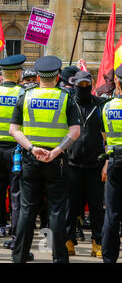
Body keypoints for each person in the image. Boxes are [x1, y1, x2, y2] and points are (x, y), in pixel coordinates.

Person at [9, 55, 81, 263]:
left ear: (38, 76)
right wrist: (56, 151)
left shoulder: (25, 96)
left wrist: (32, 148)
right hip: (55, 161)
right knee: (57, 211)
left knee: (27, 210)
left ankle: (19, 256)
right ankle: (59, 258)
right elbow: (75, 132)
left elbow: (14, 130)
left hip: (31, 159)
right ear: (58, 77)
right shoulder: (66, 98)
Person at [0, 54, 34, 260]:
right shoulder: (24, 93)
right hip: (18, 150)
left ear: (2, 73)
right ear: (18, 73)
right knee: (18, 199)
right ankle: (19, 249)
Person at [65, 70, 105, 258]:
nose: (82, 88)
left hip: (94, 166)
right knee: (70, 206)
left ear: (91, 84)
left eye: (85, 85)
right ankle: (68, 240)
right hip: (71, 164)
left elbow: (107, 134)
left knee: (96, 208)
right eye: (79, 85)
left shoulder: (100, 105)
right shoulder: (68, 103)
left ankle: (97, 242)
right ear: (74, 85)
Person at [101, 65, 122, 263]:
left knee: (112, 213)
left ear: (116, 81)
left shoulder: (107, 106)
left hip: (115, 160)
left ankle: (109, 257)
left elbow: (105, 136)